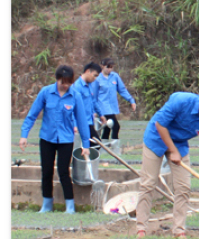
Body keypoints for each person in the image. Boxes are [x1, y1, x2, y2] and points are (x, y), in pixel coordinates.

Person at [136, 87, 199, 239]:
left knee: (183, 187)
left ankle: (179, 230)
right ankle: (141, 229)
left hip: (179, 143)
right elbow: (160, 125)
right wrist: (172, 151)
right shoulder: (181, 101)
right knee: (148, 183)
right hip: (156, 138)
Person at [20, 65, 91, 214]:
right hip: (47, 138)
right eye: (62, 82)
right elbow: (32, 114)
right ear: (57, 79)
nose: (65, 85)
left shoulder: (75, 96)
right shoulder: (46, 92)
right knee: (46, 171)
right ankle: (47, 204)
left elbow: (82, 121)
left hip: (65, 139)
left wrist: (86, 144)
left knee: (64, 171)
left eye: (68, 82)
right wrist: (24, 135)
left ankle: (70, 206)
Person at [97, 58, 136, 142]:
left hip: (112, 107)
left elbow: (122, 90)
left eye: (111, 67)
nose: (109, 69)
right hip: (103, 107)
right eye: (108, 67)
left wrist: (131, 100)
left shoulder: (115, 76)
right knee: (115, 126)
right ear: (102, 66)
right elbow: (93, 95)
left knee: (107, 128)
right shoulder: (97, 78)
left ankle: (105, 148)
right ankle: (115, 146)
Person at [71, 62, 104, 149]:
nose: (95, 78)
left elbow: (93, 102)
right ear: (88, 71)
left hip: (89, 122)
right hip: (81, 123)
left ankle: (87, 162)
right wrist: (75, 125)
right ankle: (83, 162)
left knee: (94, 145)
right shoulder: (77, 87)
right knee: (95, 145)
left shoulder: (89, 85)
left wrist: (101, 115)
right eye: (94, 75)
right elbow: (72, 108)